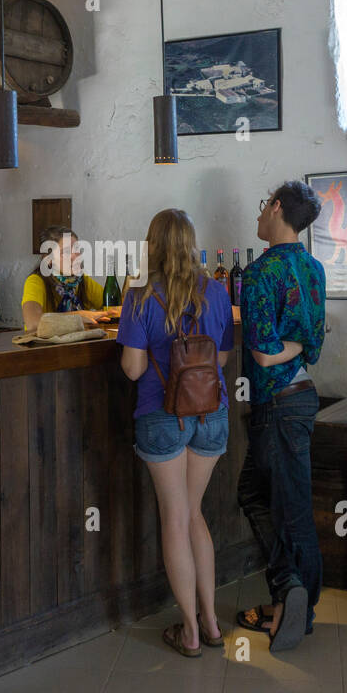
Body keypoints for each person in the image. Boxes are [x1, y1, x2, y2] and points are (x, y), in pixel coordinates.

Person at [117, 209, 234, 657]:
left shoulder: (141, 296)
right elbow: (221, 361)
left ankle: (187, 630)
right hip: (211, 414)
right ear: (191, 243)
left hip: (163, 418)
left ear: (152, 246)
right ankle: (211, 621)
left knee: (175, 519)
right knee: (195, 515)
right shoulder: (218, 292)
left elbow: (132, 369)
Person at [235, 181, 327, 652]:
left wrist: (283, 350)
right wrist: (297, 347)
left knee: (286, 509)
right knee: (261, 494)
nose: (257, 217)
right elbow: (314, 344)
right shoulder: (313, 268)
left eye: (260, 207)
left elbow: (263, 353)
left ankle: (296, 602)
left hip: (276, 404)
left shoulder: (259, 274)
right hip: (304, 395)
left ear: (275, 208)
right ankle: (294, 596)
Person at [21, 225, 109, 331]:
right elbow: (33, 323)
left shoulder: (82, 281)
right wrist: (77, 316)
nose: (75, 256)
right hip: (45, 347)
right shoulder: (35, 281)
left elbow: (114, 306)